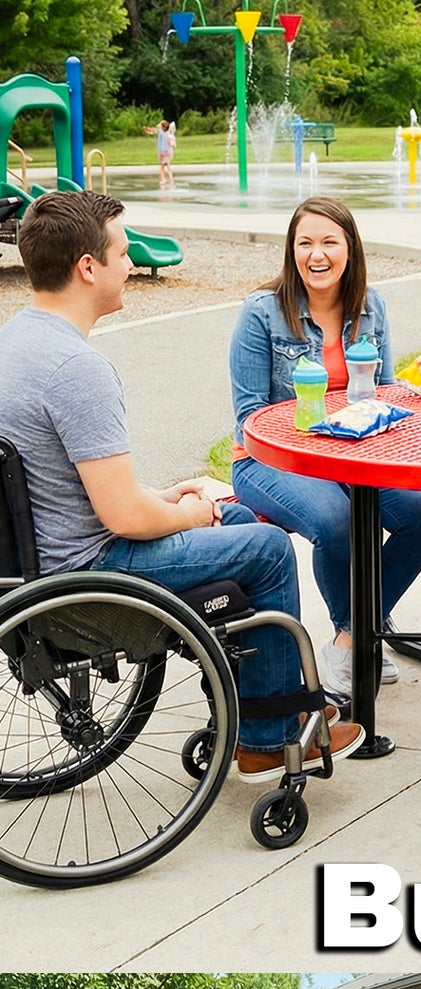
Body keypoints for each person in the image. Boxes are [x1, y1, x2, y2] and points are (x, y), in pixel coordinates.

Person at [0, 192, 362, 776]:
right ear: (87, 267)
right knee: (267, 549)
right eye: (121, 252)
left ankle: (243, 704)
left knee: (239, 519)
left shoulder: (14, 342)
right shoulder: (77, 369)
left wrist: (164, 499)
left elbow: (68, 484)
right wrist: (189, 514)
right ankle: (267, 734)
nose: (127, 263)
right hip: (88, 575)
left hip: (34, 563)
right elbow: (125, 520)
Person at [229, 196, 421, 700]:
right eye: (305, 243)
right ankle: (362, 637)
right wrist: (315, 443)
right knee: (335, 519)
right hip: (270, 461)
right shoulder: (261, 313)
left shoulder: (373, 306)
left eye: (329, 242)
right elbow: (247, 418)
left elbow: (384, 392)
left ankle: (351, 637)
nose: (317, 254)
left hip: (353, 457)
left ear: (351, 249)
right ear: (292, 250)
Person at [144, 118, 176, 192]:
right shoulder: (166, 132)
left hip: (163, 152)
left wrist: (147, 129)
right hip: (166, 151)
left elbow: (153, 130)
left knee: (163, 167)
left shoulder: (160, 131)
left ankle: (165, 180)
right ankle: (168, 179)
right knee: (166, 166)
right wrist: (147, 130)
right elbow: (153, 131)